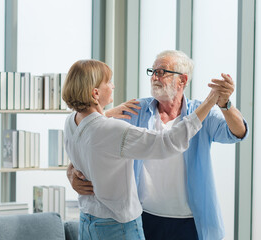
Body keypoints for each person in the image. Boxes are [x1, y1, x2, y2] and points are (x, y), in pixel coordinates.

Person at [67, 50, 248, 240]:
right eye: (152, 71)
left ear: (182, 80)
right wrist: (72, 170)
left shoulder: (202, 113)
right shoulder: (136, 109)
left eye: (161, 72)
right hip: (145, 217)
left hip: (189, 221)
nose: (154, 77)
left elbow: (237, 132)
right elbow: (92, 134)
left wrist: (225, 104)